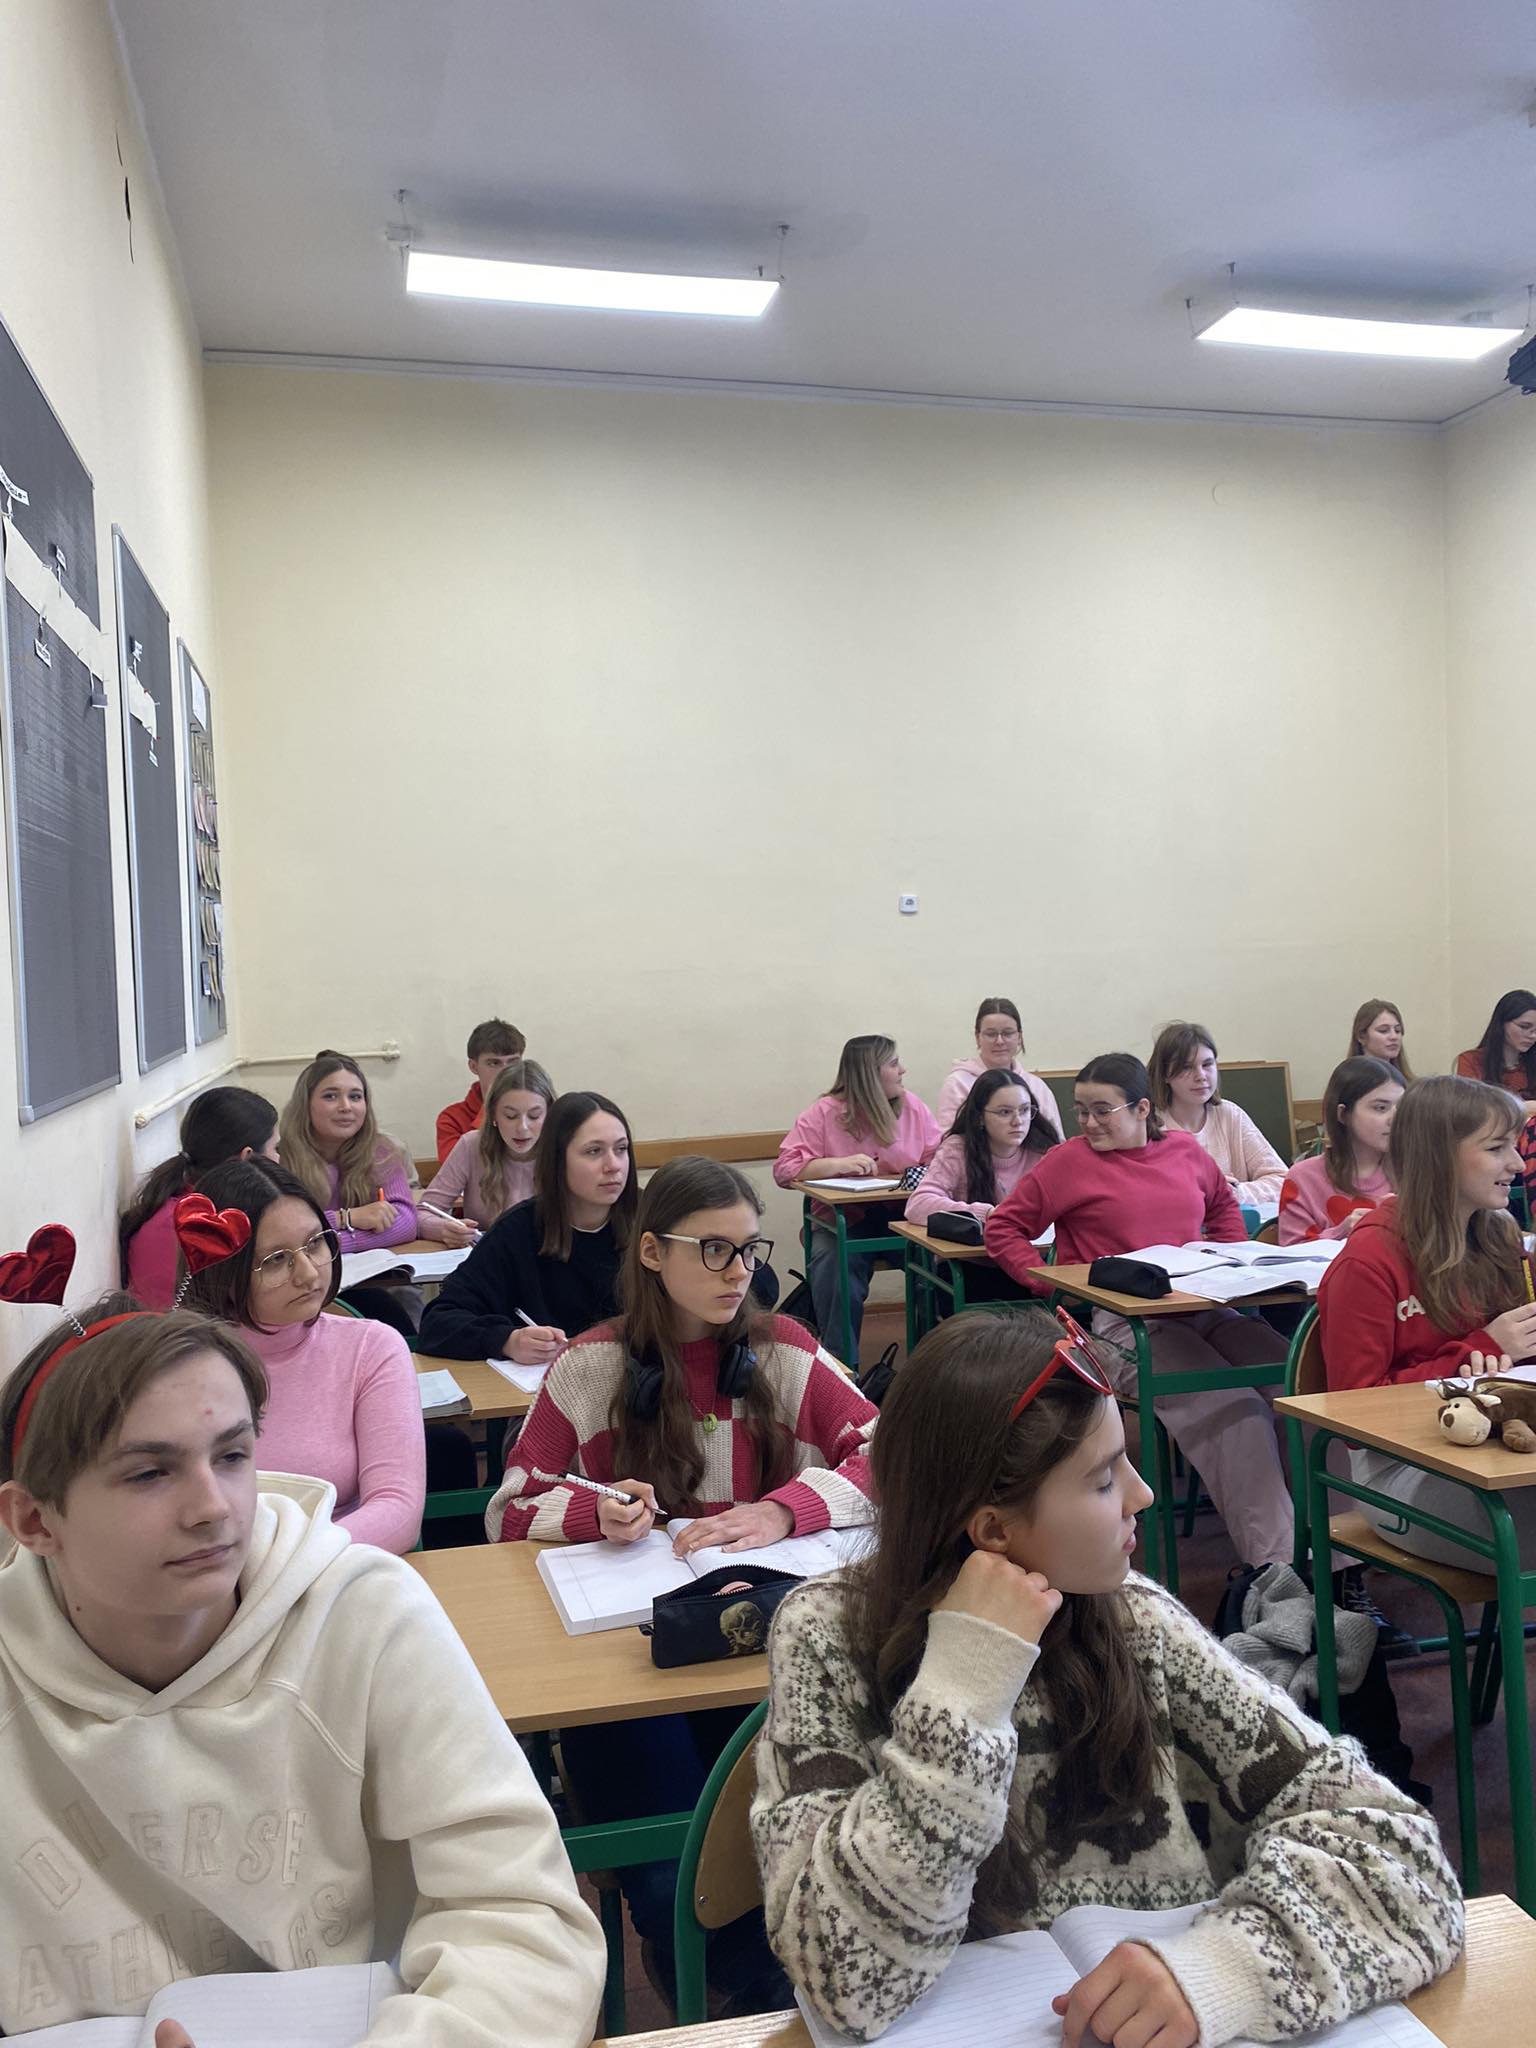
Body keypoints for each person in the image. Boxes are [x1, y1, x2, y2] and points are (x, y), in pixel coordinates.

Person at [750, 1309, 1463, 2047]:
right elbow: (843, 1982)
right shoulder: (826, 1637)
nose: (1143, 1494)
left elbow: (1404, 1860)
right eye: (1102, 1480)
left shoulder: (1136, 1624)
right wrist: (962, 1695)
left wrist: (1226, 1970)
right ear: (993, 1530)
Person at [0, 1299, 605, 2042]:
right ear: (35, 1521)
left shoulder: (364, 1616)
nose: (213, 1508)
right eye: (150, 1473)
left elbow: (527, 1928)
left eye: (232, 1456)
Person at [488, 1155, 877, 2012]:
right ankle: (722, 1983)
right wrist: (593, 1514)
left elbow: (890, 1454)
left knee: (799, 1830)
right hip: (629, 1671)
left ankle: (757, 1983)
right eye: (714, 1250)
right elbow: (510, 1507)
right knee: (673, 1871)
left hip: (759, 1653)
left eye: (749, 1250)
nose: (739, 1273)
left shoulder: (784, 1351)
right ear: (653, 1252)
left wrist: (782, 1510)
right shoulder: (590, 1365)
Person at [983, 1053, 1292, 1567]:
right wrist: (1052, 1283)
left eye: (1102, 1110)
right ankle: (1276, 1572)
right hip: (1124, 1326)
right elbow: (1003, 1227)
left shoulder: (1185, 1152)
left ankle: (1338, 1562)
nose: (1088, 1122)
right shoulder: (1068, 1162)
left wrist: (1229, 1261)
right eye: (1081, 1110)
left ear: (1142, 1109)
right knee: (1236, 1412)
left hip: (1204, 1306)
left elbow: (1221, 1204)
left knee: (1298, 1390)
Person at [1317, 1073, 1536, 1568]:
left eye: (1514, 1145)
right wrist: (1481, 1348)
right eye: (1497, 1148)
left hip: (1495, 1452)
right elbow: (1354, 1412)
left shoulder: (1498, 1238)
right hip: (1399, 1469)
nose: (1517, 1163)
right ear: (1439, 1157)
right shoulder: (1369, 1260)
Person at [185, 1160, 425, 1553]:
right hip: (219, 1579)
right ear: (224, 1272)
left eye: (315, 1244)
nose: (309, 1274)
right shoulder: (180, 1370)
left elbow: (398, 1509)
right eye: (276, 1260)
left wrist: (285, 1566)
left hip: (341, 1567)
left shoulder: (372, 1348)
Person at [418, 1090, 636, 1363]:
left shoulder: (651, 1220)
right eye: (594, 1151)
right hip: (547, 1382)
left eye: (621, 1149)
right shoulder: (518, 1230)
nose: (613, 1166)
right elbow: (438, 1322)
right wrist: (506, 1340)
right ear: (557, 1159)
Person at [775, 1036, 940, 1356]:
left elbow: (940, 1158)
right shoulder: (822, 1114)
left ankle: (931, 1357)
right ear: (869, 1072)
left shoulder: (912, 1107)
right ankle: (840, 1363)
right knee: (834, 1263)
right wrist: (836, 1165)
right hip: (843, 1220)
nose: (902, 1070)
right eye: (894, 1064)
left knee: (935, 1262)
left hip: (902, 1216)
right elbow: (784, 1170)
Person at [118, 1086, 278, 1308]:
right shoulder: (190, 1225)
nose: (279, 1159)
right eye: (276, 1148)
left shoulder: (177, 1207)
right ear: (248, 1157)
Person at [279, 1051, 417, 1254]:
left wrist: (331, 1243)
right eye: (330, 1096)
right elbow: (283, 1230)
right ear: (306, 1104)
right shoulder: (279, 1157)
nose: (346, 1107)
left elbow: (406, 1224)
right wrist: (347, 1218)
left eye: (355, 1097)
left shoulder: (382, 1151)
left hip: (369, 1270)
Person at [1147, 1021, 1286, 1209]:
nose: (1201, 1076)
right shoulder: (1149, 1125)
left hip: (1235, 1224)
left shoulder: (1230, 1114)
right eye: (1186, 1067)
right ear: (1165, 1074)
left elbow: (1282, 1180)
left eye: (1207, 1064)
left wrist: (1236, 1192)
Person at [419, 1059, 556, 1247]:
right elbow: (423, 1212)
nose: (522, 1128)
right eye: (510, 1116)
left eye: (534, 1116)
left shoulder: (565, 1148)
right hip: (489, 1258)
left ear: (550, 1114)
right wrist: (444, 1229)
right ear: (493, 1115)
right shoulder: (472, 1145)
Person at [906, 1068, 1058, 1228]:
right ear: (980, 1117)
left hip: (1034, 1242)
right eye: (1005, 1112)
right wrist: (986, 1213)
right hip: (978, 1243)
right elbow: (918, 1205)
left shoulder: (1044, 1151)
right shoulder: (958, 1149)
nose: (1018, 1121)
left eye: (1025, 1110)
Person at [1278, 1056, 1402, 1244]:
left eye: (1402, 1107)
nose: (1395, 1119)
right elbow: (1289, 1255)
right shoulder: (1303, 1177)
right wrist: (1341, 1232)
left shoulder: (1414, 1171)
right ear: (1343, 1114)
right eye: (1380, 1108)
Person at [934, 998, 1065, 1134]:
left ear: (1019, 1037)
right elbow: (948, 1138)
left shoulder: (1037, 1087)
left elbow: (1056, 1139)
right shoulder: (957, 1084)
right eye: (991, 1034)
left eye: (1008, 1033)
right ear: (978, 1037)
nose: (1000, 1041)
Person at [435, 1017, 527, 1163]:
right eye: (494, 1063)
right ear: (473, 1066)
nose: (505, 1072)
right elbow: (456, 1170)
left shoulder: (539, 1110)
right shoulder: (451, 1119)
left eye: (513, 1062)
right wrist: (491, 1106)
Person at [1455, 990, 1536, 1101]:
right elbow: (1470, 1107)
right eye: (1524, 1027)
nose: (1533, 1036)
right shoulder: (1471, 1060)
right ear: (1501, 1024)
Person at [1348, 998, 1415, 1082]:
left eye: (1397, 1030)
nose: (1394, 1037)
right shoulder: (1349, 1081)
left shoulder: (1410, 1084)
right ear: (1361, 1036)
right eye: (1383, 1030)